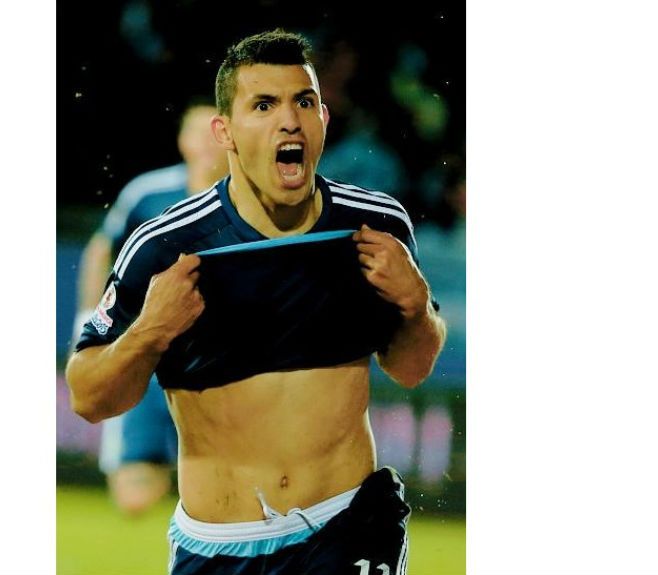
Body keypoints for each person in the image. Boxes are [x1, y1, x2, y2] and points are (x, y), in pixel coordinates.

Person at [67, 29, 446, 574]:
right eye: (264, 105)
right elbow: (89, 397)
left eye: (304, 102)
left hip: (347, 527)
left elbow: (411, 368)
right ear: (225, 131)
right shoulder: (166, 246)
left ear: (323, 120)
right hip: (218, 546)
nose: (289, 120)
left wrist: (416, 305)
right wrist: (151, 331)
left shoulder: (375, 225)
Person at [73, 102, 228, 515]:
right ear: (182, 140)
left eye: (214, 131)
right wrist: (89, 320)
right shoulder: (148, 194)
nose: (206, 143)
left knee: (221, 487)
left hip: (219, 356)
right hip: (149, 346)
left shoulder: (252, 199)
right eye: (196, 132)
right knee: (134, 494)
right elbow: (103, 249)